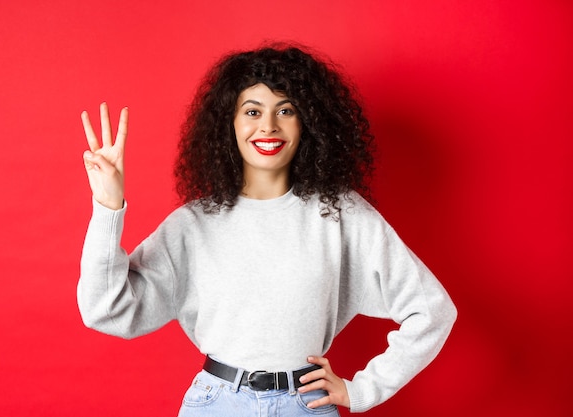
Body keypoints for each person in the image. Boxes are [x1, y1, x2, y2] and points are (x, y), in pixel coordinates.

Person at [77, 43, 457, 416]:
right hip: (217, 404)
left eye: (285, 110)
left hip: (306, 406)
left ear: (307, 121)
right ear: (230, 123)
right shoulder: (193, 225)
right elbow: (107, 311)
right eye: (252, 111)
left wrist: (362, 390)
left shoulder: (340, 214)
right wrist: (108, 207)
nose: (268, 126)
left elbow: (431, 311)